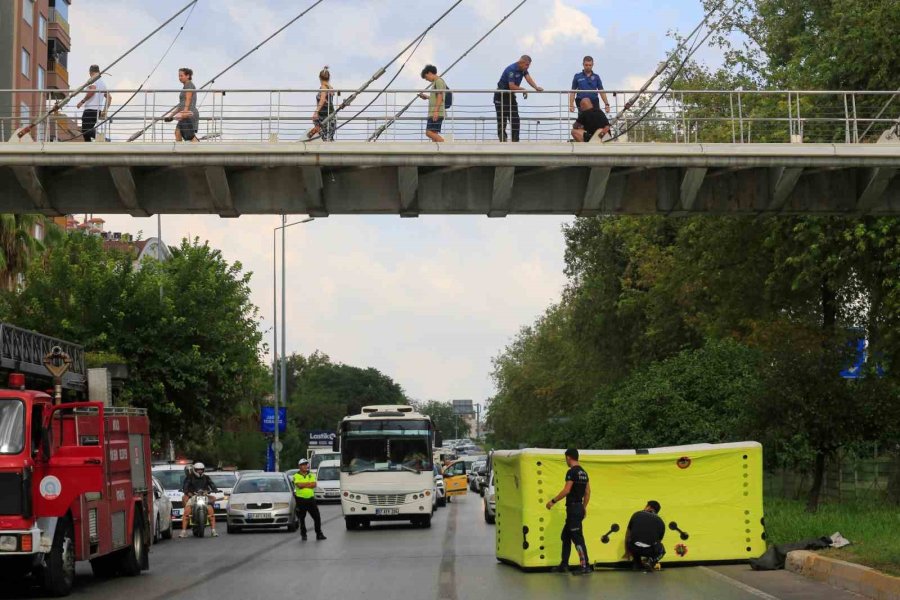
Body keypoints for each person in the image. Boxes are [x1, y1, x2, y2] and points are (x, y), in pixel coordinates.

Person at [545, 448, 592, 575]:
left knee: (577, 538)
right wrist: (584, 507)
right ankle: (564, 565)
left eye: (566, 458)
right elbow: (588, 492)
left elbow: (567, 490)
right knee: (565, 536)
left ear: (568, 457)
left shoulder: (571, 472)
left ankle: (585, 565)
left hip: (573, 508)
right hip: (578, 508)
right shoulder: (584, 472)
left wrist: (552, 501)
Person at [493, 55, 543, 142]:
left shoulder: (523, 69)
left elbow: (528, 78)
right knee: (502, 118)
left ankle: (515, 140)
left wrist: (536, 87)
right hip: (501, 96)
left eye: (529, 65)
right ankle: (502, 139)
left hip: (510, 96)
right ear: (521, 62)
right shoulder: (511, 69)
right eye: (527, 65)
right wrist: (523, 89)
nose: (527, 67)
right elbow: (511, 86)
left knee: (515, 118)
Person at [180, 462, 219, 537]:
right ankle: (183, 531)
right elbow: (185, 486)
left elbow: (212, 484)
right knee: (186, 512)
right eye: (198, 470)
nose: (200, 471)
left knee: (211, 512)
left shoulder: (206, 477)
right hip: (193, 496)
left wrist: (215, 489)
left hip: (204, 496)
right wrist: (188, 493)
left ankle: (213, 531)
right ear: (194, 470)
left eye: (201, 469)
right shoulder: (189, 477)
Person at [625, 500, 666, 571]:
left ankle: (637, 563)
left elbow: (628, 534)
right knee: (662, 550)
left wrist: (627, 551)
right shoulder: (661, 522)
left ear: (649, 507)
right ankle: (651, 561)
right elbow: (658, 541)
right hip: (648, 551)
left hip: (633, 548)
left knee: (632, 541)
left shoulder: (636, 514)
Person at [75, 65, 110, 142]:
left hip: (90, 109)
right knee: (86, 131)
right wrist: (105, 110)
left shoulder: (92, 80)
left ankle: (104, 139)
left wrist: (82, 101)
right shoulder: (102, 83)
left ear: (90, 72)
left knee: (85, 129)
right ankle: (88, 146)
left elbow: (92, 91)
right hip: (97, 111)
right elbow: (109, 97)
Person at [293, 458, 326, 541]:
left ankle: (319, 534)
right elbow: (299, 485)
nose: (305, 466)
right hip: (300, 500)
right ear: (299, 466)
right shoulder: (296, 476)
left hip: (311, 499)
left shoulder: (311, 474)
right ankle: (303, 534)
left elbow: (314, 484)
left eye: (306, 464)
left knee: (317, 517)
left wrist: (304, 484)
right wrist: (308, 484)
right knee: (302, 518)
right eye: (303, 465)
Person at [164, 68, 199, 142]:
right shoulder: (185, 87)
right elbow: (181, 105)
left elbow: (188, 99)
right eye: (179, 76)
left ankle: (198, 149)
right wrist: (171, 116)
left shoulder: (189, 84)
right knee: (178, 132)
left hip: (189, 112)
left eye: (181, 76)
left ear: (188, 76)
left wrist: (185, 113)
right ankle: (180, 150)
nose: (179, 78)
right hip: (185, 112)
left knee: (188, 134)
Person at [418, 64, 447, 143]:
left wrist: (436, 111)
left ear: (430, 73)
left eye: (426, 77)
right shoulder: (436, 82)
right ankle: (438, 151)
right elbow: (436, 97)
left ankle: (445, 145)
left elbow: (440, 95)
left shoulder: (438, 81)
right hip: (435, 111)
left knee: (429, 132)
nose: (427, 80)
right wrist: (426, 97)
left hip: (436, 112)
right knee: (434, 134)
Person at [308, 66, 335, 141]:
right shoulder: (331, 88)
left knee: (315, 119)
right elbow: (330, 96)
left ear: (319, 78)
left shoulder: (323, 87)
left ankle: (317, 130)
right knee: (329, 138)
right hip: (331, 116)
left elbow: (322, 99)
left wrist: (316, 112)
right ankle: (318, 131)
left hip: (324, 117)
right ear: (329, 78)